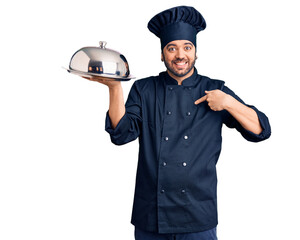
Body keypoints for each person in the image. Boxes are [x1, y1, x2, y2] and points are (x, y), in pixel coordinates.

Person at [86, 5, 271, 240]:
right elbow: (121, 134)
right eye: (172, 48)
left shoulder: (215, 90)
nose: (180, 55)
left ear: (195, 52)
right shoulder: (145, 89)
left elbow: (261, 130)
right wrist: (114, 87)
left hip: (198, 216)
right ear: (162, 54)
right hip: (152, 215)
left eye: (187, 47)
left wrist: (229, 103)